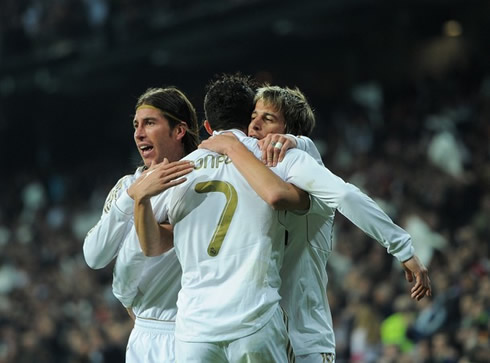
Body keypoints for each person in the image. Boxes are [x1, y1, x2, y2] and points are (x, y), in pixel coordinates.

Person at [199, 85, 432, 363]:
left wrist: (403, 249)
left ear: (289, 133)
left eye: (268, 119)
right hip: (256, 333)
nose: (255, 125)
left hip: (302, 339)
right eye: (253, 116)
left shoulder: (296, 166)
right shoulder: (250, 170)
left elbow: (345, 194)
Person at [83, 86, 199, 362]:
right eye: (136, 125)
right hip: (143, 333)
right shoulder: (125, 186)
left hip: (186, 329)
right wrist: (131, 196)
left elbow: (150, 250)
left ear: (179, 130)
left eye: (149, 123)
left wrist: (123, 293)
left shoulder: (198, 182)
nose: (138, 133)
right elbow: (94, 255)